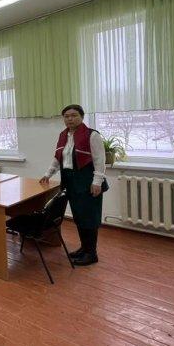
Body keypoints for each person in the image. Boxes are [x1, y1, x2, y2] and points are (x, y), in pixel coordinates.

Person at [40, 104, 108, 266]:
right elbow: (58, 158)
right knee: (79, 217)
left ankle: (91, 253)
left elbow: (100, 160)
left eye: (74, 115)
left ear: (82, 117)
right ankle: (84, 248)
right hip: (71, 182)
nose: (70, 119)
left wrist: (97, 182)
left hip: (88, 182)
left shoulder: (92, 135)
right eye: (66, 116)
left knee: (89, 217)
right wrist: (48, 174)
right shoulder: (63, 135)